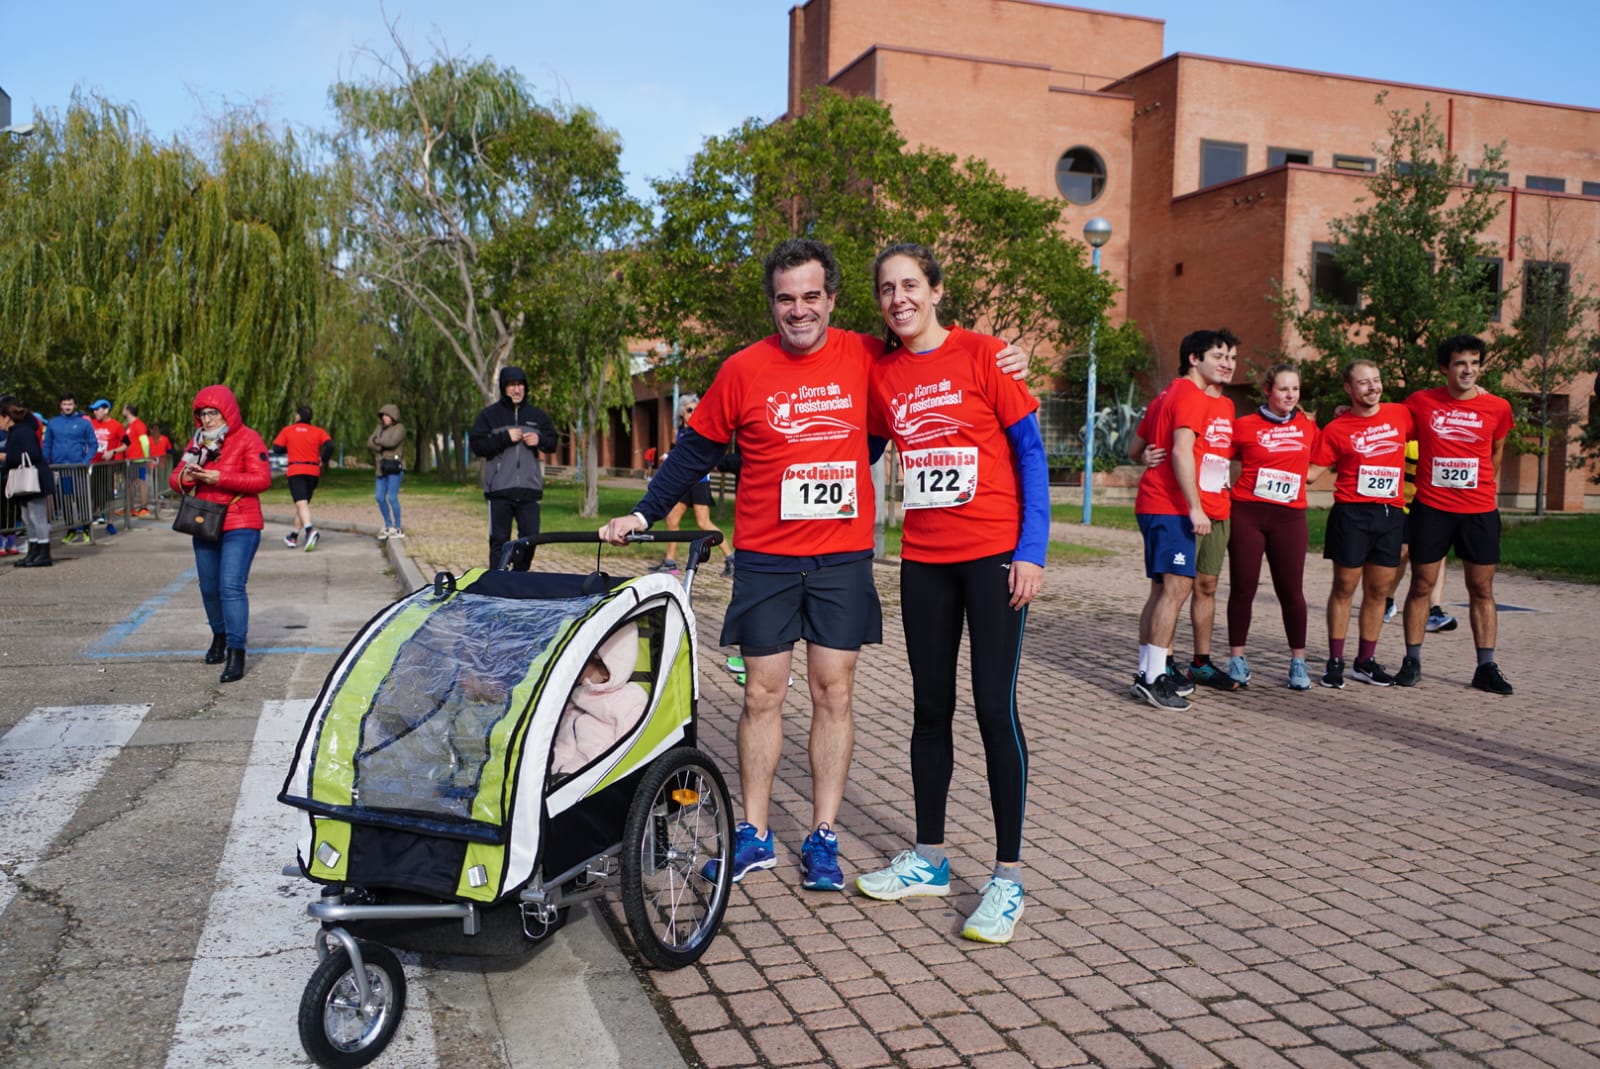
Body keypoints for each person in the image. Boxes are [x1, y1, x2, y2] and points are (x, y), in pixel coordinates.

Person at [600, 237, 1027, 894]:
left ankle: (824, 834)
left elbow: (927, 368)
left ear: (831, 298)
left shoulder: (867, 355)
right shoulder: (742, 369)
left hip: (842, 559)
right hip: (768, 557)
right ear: (772, 303)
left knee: (834, 693)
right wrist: (645, 514)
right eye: (785, 299)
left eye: (810, 297)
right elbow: (693, 451)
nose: (798, 310)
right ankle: (756, 832)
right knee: (761, 693)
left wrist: (1009, 356)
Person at [854, 243, 1047, 945]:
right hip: (924, 562)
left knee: (995, 708)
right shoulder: (882, 373)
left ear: (935, 289)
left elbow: (1030, 453)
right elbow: (862, 448)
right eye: (886, 289)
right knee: (929, 708)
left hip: (995, 560)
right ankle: (930, 859)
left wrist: (1032, 551)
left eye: (909, 284)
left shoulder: (987, 354)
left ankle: (1007, 877)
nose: (898, 297)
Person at [1397, 335, 1515, 693]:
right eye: (1461, 363)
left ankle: (1486, 666)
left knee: (1481, 587)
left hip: (1479, 510)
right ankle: (1412, 660)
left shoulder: (1498, 406)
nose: (1469, 370)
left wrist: (1484, 488)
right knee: (1421, 584)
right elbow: (1386, 424)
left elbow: (1496, 452)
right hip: (1432, 508)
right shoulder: (1421, 402)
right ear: (1444, 368)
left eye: (1475, 363)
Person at [1128, 330, 1237, 712]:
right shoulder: (1190, 395)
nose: (1226, 363)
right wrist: (1195, 507)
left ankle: (1148, 670)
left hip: (1154, 504)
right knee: (1175, 590)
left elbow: (1135, 448)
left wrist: (1145, 459)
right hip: (1169, 506)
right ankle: (1153, 678)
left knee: (1162, 591)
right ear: (1194, 358)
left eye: (1230, 357)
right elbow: (1180, 450)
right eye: (1218, 356)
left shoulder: (1165, 393)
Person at [1307, 359, 1412, 689]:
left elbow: (1440, 415)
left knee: (1378, 591)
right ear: (1349, 389)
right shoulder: (1337, 429)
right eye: (1364, 383)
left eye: (1377, 380)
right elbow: (1310, 473)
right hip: (1351, 514)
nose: (1373, 387)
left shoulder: (1401, 414)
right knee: (1344, 588)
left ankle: (1365, 661)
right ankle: (1335, 661)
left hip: (1390, 514)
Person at [1225, 364, 1319, 691]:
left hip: (1289, 518)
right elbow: (1215, 455)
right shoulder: (1244, 425)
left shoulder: (1308, 426)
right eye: (1283, 389)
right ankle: (1237, 658)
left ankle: (1298, 662)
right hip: (1248, 513)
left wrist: (1310, 477)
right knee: (1242, 588)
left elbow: (1326, 455)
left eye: (1295, 389)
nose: (1290, 395)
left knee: (1291, 592)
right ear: (1268, 390)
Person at [168, 385, 271, 683]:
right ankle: (219, 636)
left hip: (241, 521)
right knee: (209, 587)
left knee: (230, 587)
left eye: (213, 412)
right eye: (202, 413)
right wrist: (185, 477)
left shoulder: (248, 438)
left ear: (227, 412)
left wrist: (220, 477)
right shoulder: (197, 442)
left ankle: (237, 652)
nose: (208, 419)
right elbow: (175, 479)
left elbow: (261, 479)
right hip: (204, 522)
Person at [468, 368, 558, 569]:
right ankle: (497, 584)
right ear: (503, 387)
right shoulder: (489, 416)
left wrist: (540, 439)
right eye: (512, 385)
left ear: (525, 387)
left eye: (520, 385)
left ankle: (519, 578)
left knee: (530, 538)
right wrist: (504, 438)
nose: (517, 390)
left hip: (530, 489)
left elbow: (552, 442)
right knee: (499, 541)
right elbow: (477, 446)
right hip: (499, 489)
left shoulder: (537, 415)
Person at [651, 395, 732, 577]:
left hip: (699, 482)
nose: (693, 413)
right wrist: (668, 456)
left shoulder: (702, 431)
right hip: (683, 482)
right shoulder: (678, 432)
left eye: (696, 410)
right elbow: (680, 453)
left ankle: (730, 559)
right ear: (681, 413)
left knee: (703, 523)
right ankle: (669, 562)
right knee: (672, 520)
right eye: (689, 410)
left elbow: (701, 456)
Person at [1383, 439, 1458, 633]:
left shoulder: (1442, 442)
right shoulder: (1407, 441)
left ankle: (1434, 611)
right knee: (1403, 552)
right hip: (1405, 506)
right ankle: (1387, 600)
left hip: (1433, 507)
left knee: (1438, 556)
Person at [551, 625, 648, 774]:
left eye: (582, 663)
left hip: (592, 775)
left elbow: (627, 752)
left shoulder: (630, 700)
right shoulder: (574, 694)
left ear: (605, 668)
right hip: (555, 768)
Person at [0, 396, 54, 568]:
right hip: (26, 477)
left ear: (6, 417)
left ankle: (43, 552)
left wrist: (7, 458)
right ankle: (34, 550)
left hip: (34, 477)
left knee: (37, 516)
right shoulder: (16, 431)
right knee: (27, 517)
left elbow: (31, 454)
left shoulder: (22, 431)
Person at [273, 405, 334, 551]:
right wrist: (323, 460)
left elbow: (276, 448)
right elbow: (330, 445)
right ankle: (293, 535)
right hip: (313, 471)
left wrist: (292, 446)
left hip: (296, 470)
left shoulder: (288, 430)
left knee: (301, 503)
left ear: (298, 416)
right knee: (303, 504)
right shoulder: (318, 431)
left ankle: (309, 530)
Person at [45, 393, 98, 545]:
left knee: (82, 498)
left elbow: (93, 444)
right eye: (64, 404)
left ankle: (87, 528)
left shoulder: (84, 423)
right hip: (60, 467)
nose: (67, 407)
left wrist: (86, 461)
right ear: (60, 406)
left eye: (70, 404)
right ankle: (71, 529)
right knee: (66, 499)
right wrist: (45, 461)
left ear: (75, 405)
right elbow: (48, 444)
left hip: (78, 467)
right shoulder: (53, 423)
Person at [367, 404, 407, 541]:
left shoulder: (400, 428)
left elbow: (392, 442)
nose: (384, 417)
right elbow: (369, 443)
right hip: (381, 467)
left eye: (387, 415)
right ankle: (388, 524)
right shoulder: (379, 428)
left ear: (393, 416)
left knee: (392, 497)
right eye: (383, 415)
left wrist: (377, 441)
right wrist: (378, 443)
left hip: (394, 466)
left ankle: (397, 526)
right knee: (379, 497)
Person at [122, 403, 152, 515]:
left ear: (128, 411)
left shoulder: (138, 424)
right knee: (130, 483)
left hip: (139, 460)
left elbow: (144, 441)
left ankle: (144, 508)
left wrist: (146, 456)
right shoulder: (129, 426)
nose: (122, 410)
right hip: (130, 459)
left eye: (124, 408)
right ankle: (130, 508)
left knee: (141, 482)